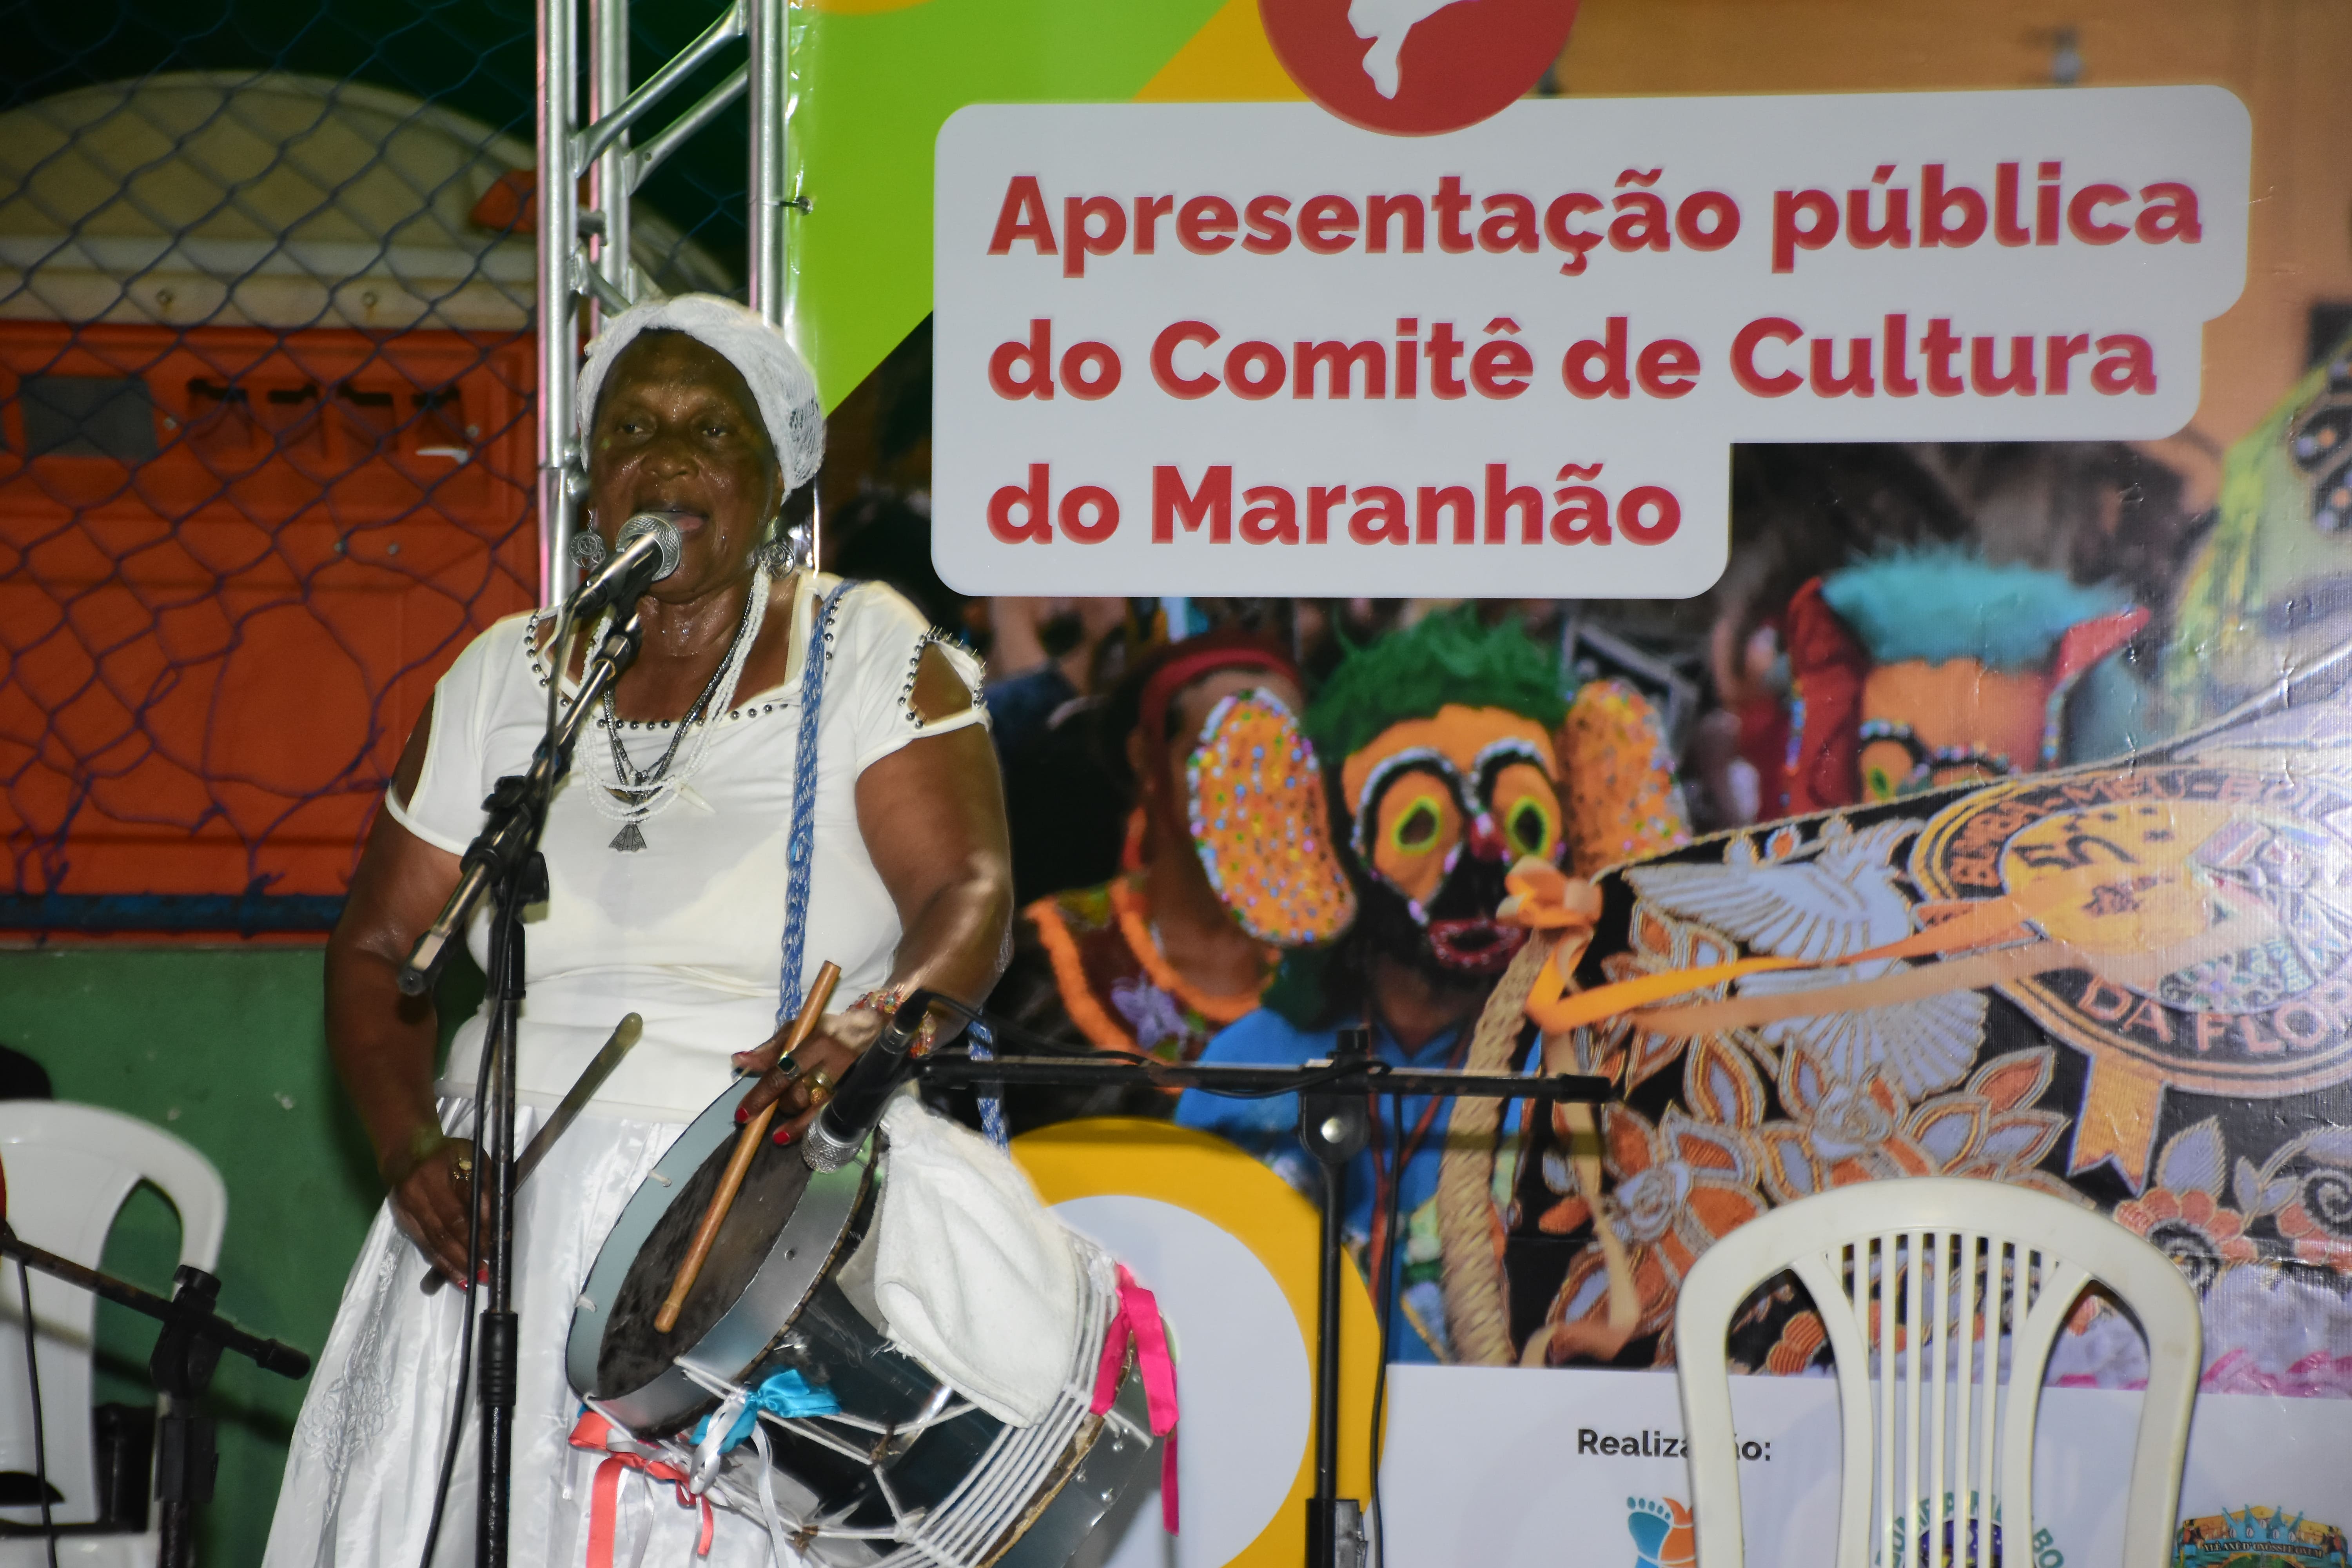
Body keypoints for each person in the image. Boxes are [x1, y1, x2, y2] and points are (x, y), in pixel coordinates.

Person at [265, 295, 1013, 1568]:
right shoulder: (504, 675)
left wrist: (873, 1034)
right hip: (500, 1212)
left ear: (775, 483)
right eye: (632, 429)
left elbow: (971, 894)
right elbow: (384, 950)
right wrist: (407, 1146)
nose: (665, 457)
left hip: (757, 1198)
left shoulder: (868, 652)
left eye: (710, 431)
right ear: (591, 476)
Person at [1174, 610, 1687, 1363]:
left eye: (1522, 822)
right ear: (1331, 840)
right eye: (1418, 826)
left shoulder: (1601, 1072)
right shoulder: (1249, 1069)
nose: (1482, 856)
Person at [978, 632, 1352, 1130]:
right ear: (1146, 758)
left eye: (1280, 759)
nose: (1253, 789)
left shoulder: (1341, 968)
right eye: (1226, 754)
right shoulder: (1051, 954)